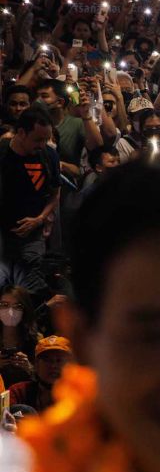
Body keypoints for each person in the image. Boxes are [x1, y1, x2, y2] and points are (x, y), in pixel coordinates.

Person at [0, 107, 60, 295]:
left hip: (32, 234)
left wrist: (40, 219)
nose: (42, 145)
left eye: (46, 139)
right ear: (21, 133)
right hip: (2, 233)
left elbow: (55, 193)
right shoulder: (2, 154)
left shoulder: (48, 156)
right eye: (38, 139)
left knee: (32, 280)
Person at [9, 335, 72, 412]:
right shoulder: (18, 392)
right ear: (36, 365)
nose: (53, 366)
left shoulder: (80, 396)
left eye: (59, 360)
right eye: (47, 360)